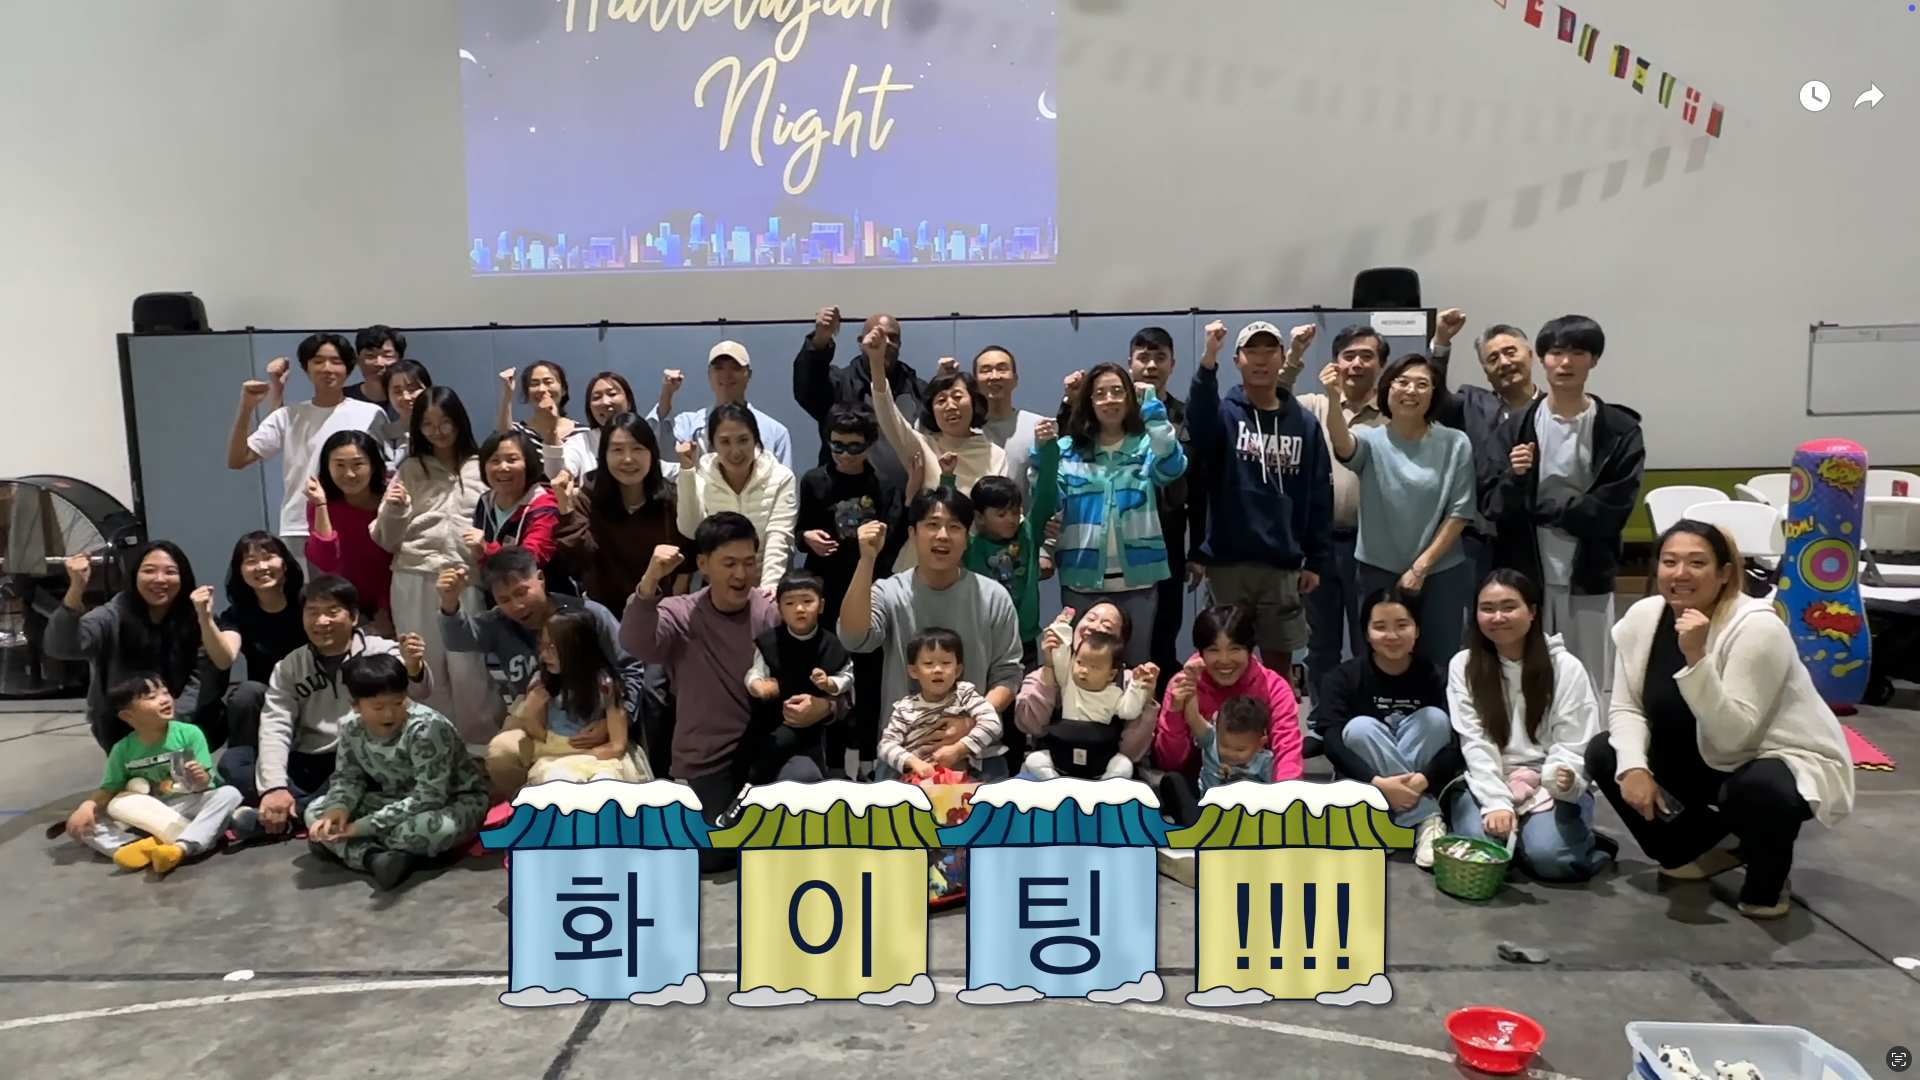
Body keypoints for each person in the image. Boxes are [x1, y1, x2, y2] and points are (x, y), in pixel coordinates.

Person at [1587, 520, 1854, 919]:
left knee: (1757, 791)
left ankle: (1768, 874)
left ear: (1725, 573)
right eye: (1669, 561)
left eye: (1697, 563)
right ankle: (1709, 846)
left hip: (1769, 755)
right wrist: (1633, 768)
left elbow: (1733, 736)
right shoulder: (1643, 617)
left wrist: (1696, 656)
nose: (1680, 573)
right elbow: (1628, 708)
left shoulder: (1757, 626)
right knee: (1606, 752)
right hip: (1695, 751)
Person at [620, 514, 841, 872]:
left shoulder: (775, 612)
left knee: (801, 789)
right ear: (703, 564)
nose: (741, 574)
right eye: (729, 563)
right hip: (711, 760)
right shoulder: (680, 613)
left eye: (749, 562)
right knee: (710, 856)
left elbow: (837, 678)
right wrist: (649, 583)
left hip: (775, 752)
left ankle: (771, 840)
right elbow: (635, 642)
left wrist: (825, 707)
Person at [1482, 315, 1645, 692]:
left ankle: (1589, 734)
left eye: (1578, 353)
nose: (1565, 362)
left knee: (1589, 676)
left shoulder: (1619, 430)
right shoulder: (1515, 428)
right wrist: (1516, 478)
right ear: (1541, 359)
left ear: (1594, 359)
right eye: (1556, 353)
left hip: (1588, 571)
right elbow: (1493, 505)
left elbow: (1614, 507)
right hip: (1527, 570)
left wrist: (1547, 511)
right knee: (1527, 675)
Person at [224, 577, 433, 841]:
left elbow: (420, 691)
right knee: (234, 763)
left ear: (354, 617)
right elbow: (276, 725)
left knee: (365, 773)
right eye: (313, 612)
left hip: (364, 756)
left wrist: (414, 666)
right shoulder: (290, 666)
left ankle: (291, 815)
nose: (322, 621)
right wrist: (274, 787)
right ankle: (294, 807)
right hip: (309, 758)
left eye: (332, 612)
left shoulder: (381, 651)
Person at [1187, 320, 1333, 683]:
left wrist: (1315, 559)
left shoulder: (1304, 423)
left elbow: (1319, 493)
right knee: (1225, 658)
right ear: (1237, 360)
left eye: (1270, 351)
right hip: (1228, 562)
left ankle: (1274, 717)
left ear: (1283, 358)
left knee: (1277, 665)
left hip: (1282, 564)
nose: (1261, 359)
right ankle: (1229, 719)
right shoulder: (1225, 414)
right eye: (1252, 351)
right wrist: (1209, 357)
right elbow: (1198, 421)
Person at [838, 489, 1024, 772]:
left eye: (954, 527)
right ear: (913, 534)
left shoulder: (993, 596)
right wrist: (866, 560)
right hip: (903, 755)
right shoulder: (890, 591)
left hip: (977, 755)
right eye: (932, 525)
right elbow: (854, 638)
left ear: (967, 538)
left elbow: (1008, 675)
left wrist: (971, 724)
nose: (942, 535)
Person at [1446, 570, 1612, 883]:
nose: (1498, 617)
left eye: (1509, 607)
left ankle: (1577, 842)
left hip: (1546, 780)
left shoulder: (1565, 667)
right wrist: (1496, 802)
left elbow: (1575, 740)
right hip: (1489, 778)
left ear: (1532, 611)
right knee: (1481, 853)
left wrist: (1560, 776)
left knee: (1551, 860)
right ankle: (1531, 839)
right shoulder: (1464, 665)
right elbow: (1475, 741)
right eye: (1487, 609)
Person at [1319, 353, 1478, 665]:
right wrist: (1334, 399)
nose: (1411, 391)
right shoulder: (1370, 441)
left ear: (1434, 394)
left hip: (1440, 571)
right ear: (1388, 389)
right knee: (1379, 658)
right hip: (1377, 569)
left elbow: (1460, 511)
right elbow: (1342, 445)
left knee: (1440, 660)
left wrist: (1421, 567)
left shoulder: (1455, 442)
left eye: (1422, 384)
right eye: (1402, 382)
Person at [443, 547, 644, 789]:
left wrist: (616, 722)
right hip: (534, 710)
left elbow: (629, 669)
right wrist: (450, 603)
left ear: (540, 578)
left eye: (521, 592)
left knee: (604, 779)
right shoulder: (498, 623)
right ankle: (528, 805)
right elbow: (458, 639)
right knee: (502, 755)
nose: (517, 606)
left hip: (592, 709)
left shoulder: (588, 615)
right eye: (504, 600)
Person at [370, 386, 502, 741]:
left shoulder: (481, 466)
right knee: (422, 665)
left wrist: (485, 547)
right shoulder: (411, 468)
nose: (437, 431)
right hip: (413, 574)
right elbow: (384, 538)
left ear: (459, 420)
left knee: (469, 668)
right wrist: (395, 510)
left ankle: (481, 748)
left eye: (445, 422)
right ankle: (431, 745)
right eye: (427, 424)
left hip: (464, 577)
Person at [305, 652, 490, 891]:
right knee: (315, 812)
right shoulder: (352, 728)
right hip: (394, 800)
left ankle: (353, 849)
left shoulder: (426, 728)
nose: (389, 714)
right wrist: (338, 809)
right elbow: (348, 778)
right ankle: (376, 858)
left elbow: (430, 797)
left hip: (449, 802)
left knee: (428, 829)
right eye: (378, 707)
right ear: (356, 705)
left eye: (398, 702)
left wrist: (360, 828)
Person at [1312, 586, 1462, 867]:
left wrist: (1422, 780)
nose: (1392, 635)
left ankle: (1379, 819)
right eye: (1380, 627)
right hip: (1365, 782)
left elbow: (1457, 743)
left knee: (1436, 719)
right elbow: (1331, 741)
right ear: (1367, 633)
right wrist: (1378, 783)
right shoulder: (1343, 677)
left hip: (1422, 780)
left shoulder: (1438, 677)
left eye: (1402, 625)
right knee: (1359, 728)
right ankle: (1426, 818)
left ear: (1417, 630)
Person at [795, 404, 907, 777]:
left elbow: (893, 544)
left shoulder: (883, 486)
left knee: (869, 680)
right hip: (825, 594)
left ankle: (868, 762)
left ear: (870, 444)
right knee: (828, 678)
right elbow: (799, 531)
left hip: (868, 595)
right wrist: (807, 538)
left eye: (853, 446)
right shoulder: (814, 480)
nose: (844, 454)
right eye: (837, 445)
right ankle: (832, 764)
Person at [1282, 325, 1391, 702]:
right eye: (1349, 356)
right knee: (1321, 643)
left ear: (1381, 365)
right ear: (1335, 363)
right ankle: (1323, 718)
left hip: (1373, 545)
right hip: (1320, 546)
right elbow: (1273, 398)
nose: (1356, 363)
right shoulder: (1315, 405)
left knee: (1372, 638)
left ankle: (1369, 714)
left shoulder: (1392, 412)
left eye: (1367, 356)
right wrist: (1295, 355)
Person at [1053, 363, 1187, 666]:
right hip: (1081, 579)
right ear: (1089, 401)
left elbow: (1172, 468)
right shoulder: (1067, 449)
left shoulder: (1147, 445)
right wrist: (1041, 461)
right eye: (1100, 393)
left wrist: (1153, 409)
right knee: (1080, 667)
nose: (1109, 399)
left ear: (1129, 398)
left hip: (1139, 580)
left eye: (1117, 391)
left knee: (1136, 667)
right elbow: (1050, 499)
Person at [62, 672, 244, 876]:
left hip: (190, 803)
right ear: (128, 716)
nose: (164, 700)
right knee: (87, 825)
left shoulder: (189, 733)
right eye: (152, 697)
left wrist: (200, 777)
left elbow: (204, 785)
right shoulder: (122, 749)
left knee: (229, 794)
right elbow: (110, 788)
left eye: (165, 693)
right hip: (150, 814)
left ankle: (182, 847)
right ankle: (142, 846)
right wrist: (87, 806)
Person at [226, 333, 386, 557]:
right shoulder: (288, 416)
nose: (327, 368)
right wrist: (246, 407)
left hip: (358, 520)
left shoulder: (371, 414)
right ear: (306, 369)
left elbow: (384, 470)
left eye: (336, 361)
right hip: (300, 525)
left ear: (349, 370)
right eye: (318, 361)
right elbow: (238, 459)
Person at [50, 541, 217, 752]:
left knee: (216, 715)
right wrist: (76, 588)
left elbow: (203, 678)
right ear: (134, 576)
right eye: (149, 570)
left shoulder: (196, 618)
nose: (159, 579)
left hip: (182, 720)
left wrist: (171, 719)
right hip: (125, 721)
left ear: (183, 578)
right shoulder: (113, 614)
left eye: (170, 572)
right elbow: (62, 647)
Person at [864, 329, 1008, 569]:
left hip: (973, 566)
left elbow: (997, 516)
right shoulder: (922, 446)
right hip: (919, 565)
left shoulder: (995, 454)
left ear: (974, 402)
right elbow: (888, 415)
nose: (950, 406)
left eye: (957, 397)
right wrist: (876, 363)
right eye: (941, 400)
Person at [1153, 604, 1306, 826]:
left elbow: (1287, 753)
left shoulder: (1274, 687)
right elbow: (1171, 762)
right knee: (1173, 783)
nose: (1224, 660)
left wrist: (1284, 806)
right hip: (1203, 789)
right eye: (1213, 650)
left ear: (1250, 649)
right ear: (1201, 652)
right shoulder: (1184, 685)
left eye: (1235, 649)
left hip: (1258, 793)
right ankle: (1207, 826)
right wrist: (1176, 713)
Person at [1428, 310, 1541, 585]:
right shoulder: (1472, 403)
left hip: (1533, 542)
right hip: (1476, 543)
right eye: (1493, 359)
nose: (1504, 362)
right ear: (1486, 371)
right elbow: (1433, 399)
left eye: (1510, 352)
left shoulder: (1552, 411)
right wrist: (1441, 342)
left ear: (1531, 356)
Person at [937, 417, 1060, 666]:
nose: (1011, 520)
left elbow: (1046, 491)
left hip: (1024, 640)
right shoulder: (969, 546)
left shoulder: (1028, 534)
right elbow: (948, 516)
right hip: (983, 641)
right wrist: (947, 478)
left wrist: (1048, 448)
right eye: (1001, 514)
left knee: (1027, 690)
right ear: (980, 517)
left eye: (1014, 512)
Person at [1126, 327, 1206, 680]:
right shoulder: (1113, 413)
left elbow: (1199, 486)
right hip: (1120, 540)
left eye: (1160, 358)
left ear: (1172, 364)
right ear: (1130, 363)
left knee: (1164, 629)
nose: (1151, 366)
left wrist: (1198, 549)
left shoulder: (1185, 418)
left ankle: (1162, 705)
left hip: (1169, 538)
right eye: (1143, 357)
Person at [554, 411, 694, 610]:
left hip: (662, 610)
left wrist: (671, 610)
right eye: (618, 450)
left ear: (652, 455)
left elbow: (686, 564)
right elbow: (580, 561)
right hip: (604, 611)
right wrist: (566, 509)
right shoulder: (588, 498)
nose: (628, 459)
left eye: (637, 449)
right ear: (604, 456)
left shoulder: (672, 499)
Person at [497, 609, 648, 788]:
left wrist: (583, 759)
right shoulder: (542, 683)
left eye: (552, 648)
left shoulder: (604, 685)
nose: (544, 655)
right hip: (554, 756)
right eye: (541, 646)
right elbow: (541, 736)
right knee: (559, 781)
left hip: (598, 756)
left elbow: (617, 745)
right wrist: (529, 714)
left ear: (578, 648)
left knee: (604, 783)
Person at [793, 306, 930, 494]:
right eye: (878, 335)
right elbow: (807, 387)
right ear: (861, 342)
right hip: (848, 497)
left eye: (893, 338)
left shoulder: (918, 389)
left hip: (910, 495)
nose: (886, 343)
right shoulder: (839, 385)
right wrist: (821, 339)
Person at [1012, 602, 1161, 772]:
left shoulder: (1129, 683)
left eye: (1107, 626)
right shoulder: (1058, 672)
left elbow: (1131, 752)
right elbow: (1031, 726)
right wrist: (1049, 667)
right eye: (1090, 619)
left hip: (1102, 765)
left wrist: (1144, 695)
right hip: (1056, 761)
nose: (1094, 627)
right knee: (1032, 763)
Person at [740, 570, 854, 784]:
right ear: (780, 609)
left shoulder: (832, 644)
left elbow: (847, 676)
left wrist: (830, 684)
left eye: (807, 601)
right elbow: (754, 673)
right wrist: (758, 687)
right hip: (772, 722)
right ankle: (750, 788)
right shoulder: (769, 641)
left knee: (807, 774)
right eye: (790, 603)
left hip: (815, 728)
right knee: (766, 751)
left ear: (821, 606)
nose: (799, 609)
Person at [675, 403, 798, 591]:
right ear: (712, 444)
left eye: (743, 440)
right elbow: (691, 529)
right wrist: (687, 471)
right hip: (718, 589)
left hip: (768, 587)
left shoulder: (781, 478)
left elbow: (779, 536)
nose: (735, 451)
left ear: (755, 439)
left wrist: (768, 590)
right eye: (725, 442)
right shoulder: (701, 477)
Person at [203, 532, 308, 752]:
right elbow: (224, 659)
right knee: (245, 694)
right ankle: (244, 759)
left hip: (314, 689)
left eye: (269, 557)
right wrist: (205, 618)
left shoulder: (307, 602)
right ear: (240, 571)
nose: (261, 567)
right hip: (267, 695)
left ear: (284, 564)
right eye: (251, 561)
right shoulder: (238, 614)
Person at [877, 627, 1003, 781]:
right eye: (928, 663)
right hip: (917, 780)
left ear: (957, 670)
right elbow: (886, 745)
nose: (938, 669)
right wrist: (914, 763)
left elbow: (992, 723)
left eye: (946, 663)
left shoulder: (965, 694)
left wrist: (958, 750)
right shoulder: (904, 708)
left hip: (963, 779)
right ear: (913, 671)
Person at [652, 342, 794, 471]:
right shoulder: (689, 424)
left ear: (748, 374)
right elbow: (660, 450)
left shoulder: (775, 432)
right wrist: (667, 394)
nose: (726, 375)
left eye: (735, 368)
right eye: (718, 368)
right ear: (709, 374)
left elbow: (784, 483)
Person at [304, 429, 394, 634]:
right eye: (339, 465)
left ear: (373, 465)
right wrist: (320, 505)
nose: (349, 474)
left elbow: (398, 555)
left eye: (358, 464)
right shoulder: (321, 502)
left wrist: (385, 608)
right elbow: (326, 561)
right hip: (345, 602)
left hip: (395, 595)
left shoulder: (391, 497)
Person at [468, 429, 562, 576]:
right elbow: (482, 560)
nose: (503, 467)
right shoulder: (485, 502)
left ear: (529, 464)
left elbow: (530, 560)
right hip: (496, 588)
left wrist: (487, 548)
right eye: (495, 461)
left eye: (512, 460)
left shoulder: (545, 508)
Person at [497, 361, 592, 486]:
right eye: (534, 384)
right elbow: (502, 437)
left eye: (548, 382)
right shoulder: (520, 431)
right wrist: (508, 393)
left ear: (563, 389)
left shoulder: (583, 434)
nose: (542, 389)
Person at [972, 346, 1046, 502]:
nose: (994, 376)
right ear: (975, 381)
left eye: (1002, 369)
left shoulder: (1038, 427)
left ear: (1015, 379)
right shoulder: (965, 428)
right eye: (986, 370)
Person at [1172, 693, 1274, 794]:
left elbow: (1275, 791)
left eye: (1240, 749)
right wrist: (1190, 693)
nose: (1230, 753)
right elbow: (1193, 717)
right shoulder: (1211, 740)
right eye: (1224, 745)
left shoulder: (1265, 763)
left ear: (1260, 744)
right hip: (1208, 802)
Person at [376, 359, 433, 466]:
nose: (406, 397)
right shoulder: (382, 435)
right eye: (397, 392)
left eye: (412, 389)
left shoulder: (442, 429)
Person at [345, 325, 405, 417]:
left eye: (387, 356)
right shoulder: (343, 398)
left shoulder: (409, 400)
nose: (379, 363)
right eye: (370, 356)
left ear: (400, 360)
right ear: (358, 360)